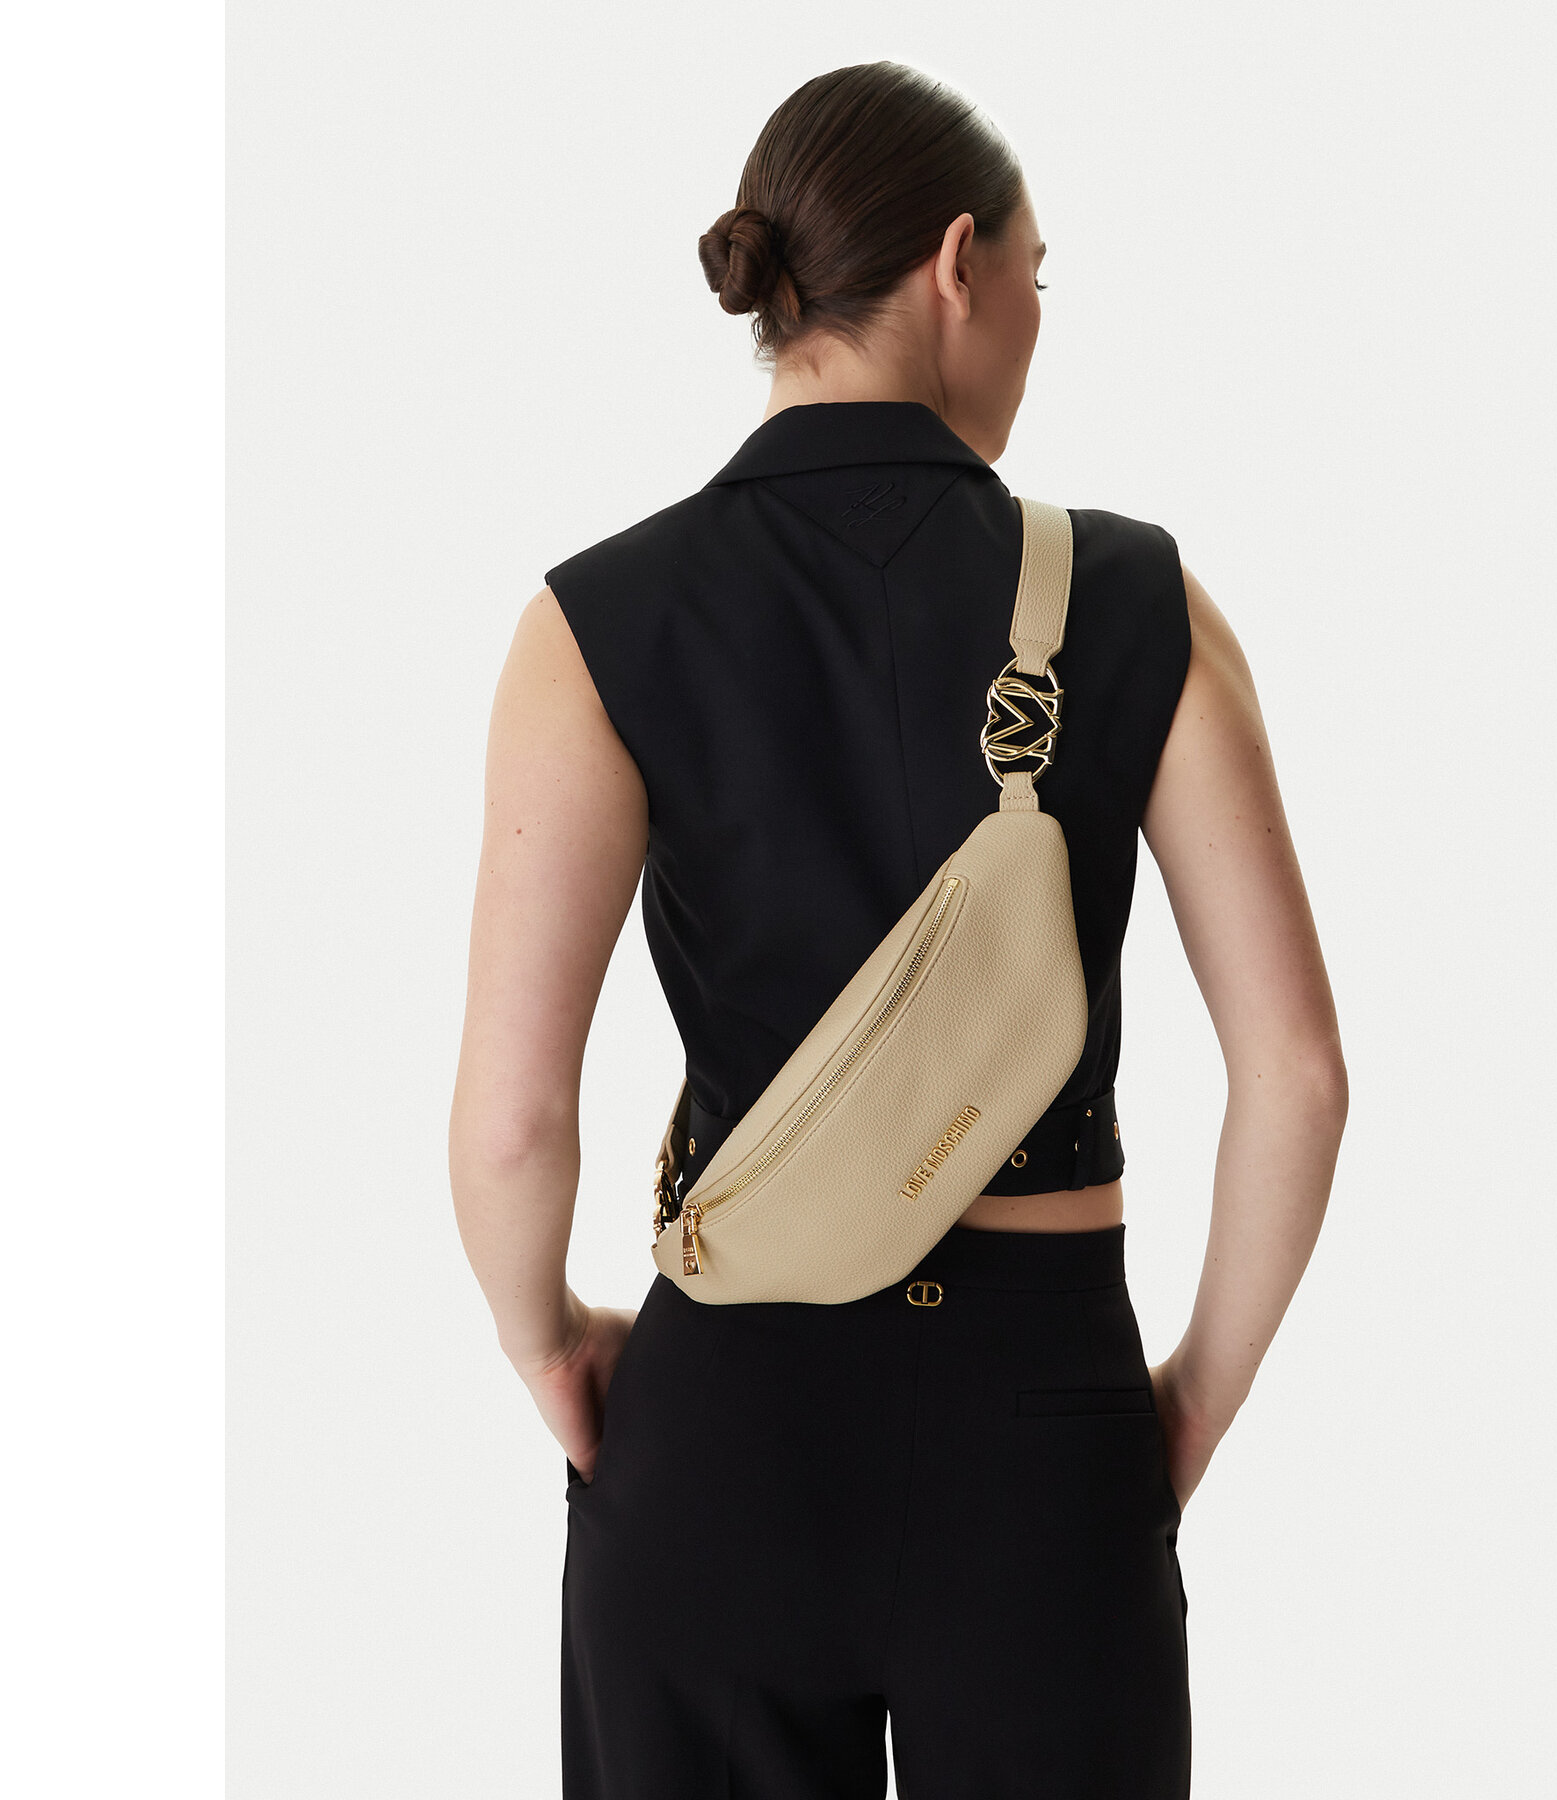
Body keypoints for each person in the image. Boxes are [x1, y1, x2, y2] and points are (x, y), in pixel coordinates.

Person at [449, 59, 1348, 1800]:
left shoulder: (589, 622)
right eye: (1036, 274)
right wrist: (1184, 1409)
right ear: (956, 265)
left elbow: (509, 1124)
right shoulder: (1139, 598)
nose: (1034, 319)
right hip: (1042, 1427)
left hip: (719, 1429)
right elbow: (1298, 1078)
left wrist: (548, 1342)